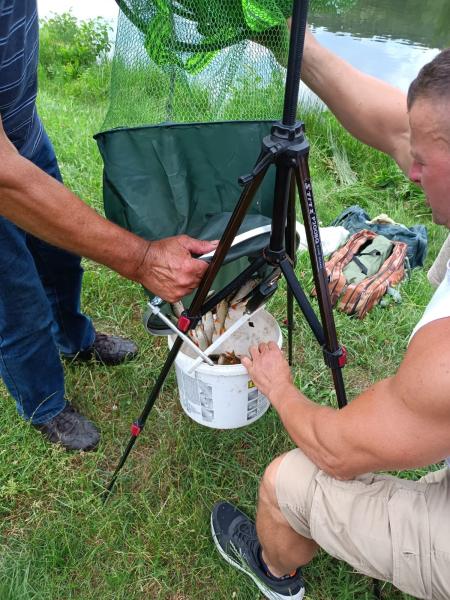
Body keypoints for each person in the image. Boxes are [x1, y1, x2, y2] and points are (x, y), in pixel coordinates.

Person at [210, 32, 450, 600]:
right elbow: (394, 125)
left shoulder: (441, 367)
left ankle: (275, 575)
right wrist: (287, 39)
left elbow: (337, 452)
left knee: (287, 479)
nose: (410, 173)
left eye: (421, 162)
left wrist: (280, 386)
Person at [0, 0, 216, 452]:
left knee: (59, 261)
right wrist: (141, 259)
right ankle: (44, 403)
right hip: (4, 165)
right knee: (16, 299)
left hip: (23, 134)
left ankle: (75, 341)